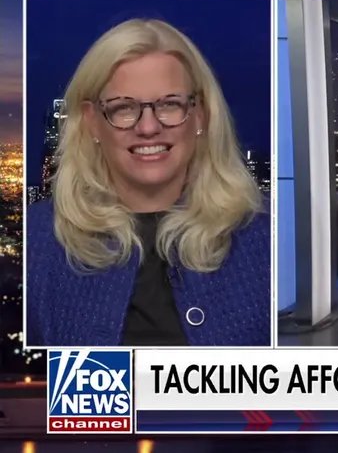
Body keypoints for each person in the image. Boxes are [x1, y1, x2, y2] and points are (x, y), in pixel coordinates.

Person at [26, 19, 270, 346]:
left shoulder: (264, 235)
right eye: (124, 108)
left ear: (200, 116)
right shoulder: (38, 239)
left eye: (169, 104)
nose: (148, 127)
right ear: (92, 122)